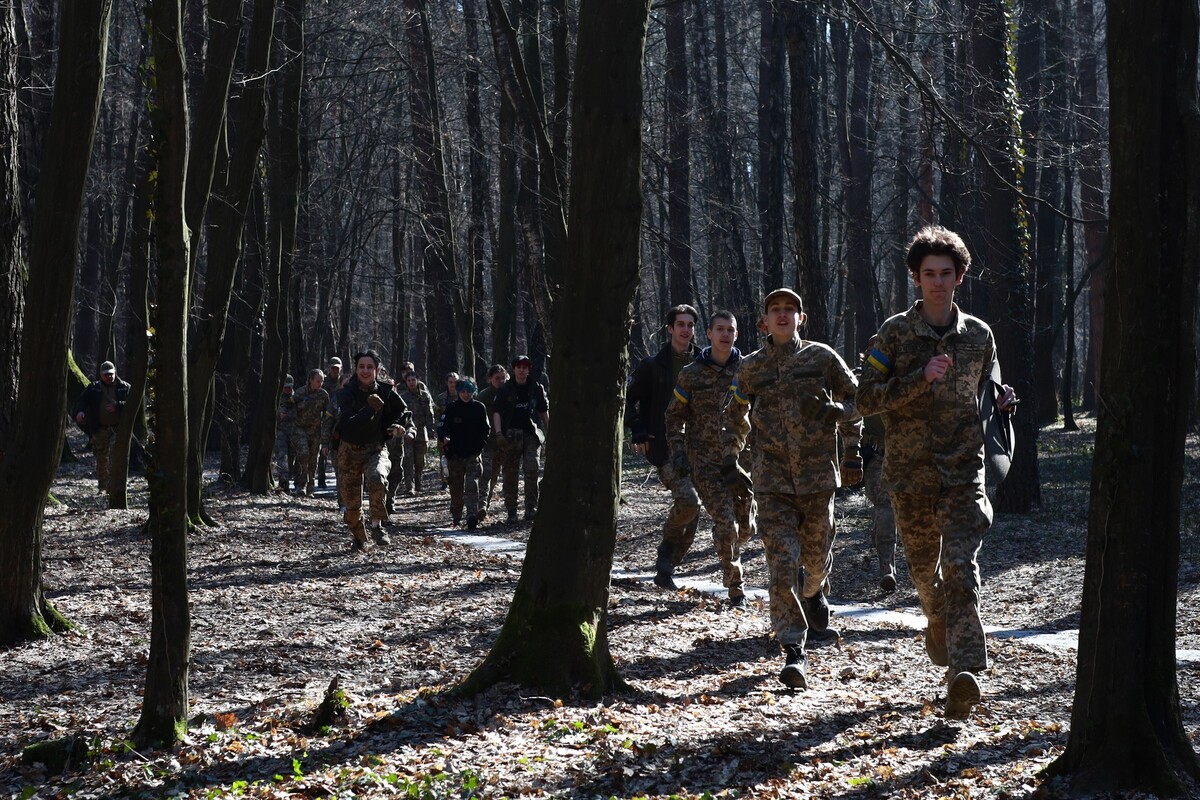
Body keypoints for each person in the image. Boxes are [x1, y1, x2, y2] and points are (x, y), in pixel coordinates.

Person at [857, 226, 1017, 719]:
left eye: (946, 274)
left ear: (960, 277)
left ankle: (964, 673)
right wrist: (915, 381)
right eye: (929, 274)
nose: (938, 283)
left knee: (960, 570)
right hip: (908, 476)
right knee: (926, 578)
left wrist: (1004, 403)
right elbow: (863, 399)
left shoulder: (979, 336)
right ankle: (938, 629)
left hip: (963, 471)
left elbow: (988, 389)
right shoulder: (894, 334)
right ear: (915, 278)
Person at [720, 288, 863, 690]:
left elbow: (858, 401)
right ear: (763, 322)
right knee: (782, 566)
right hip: (772, 482)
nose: (783, 316)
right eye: (775, 311)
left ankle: (815, 591)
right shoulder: (750, 368)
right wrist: (730, 459)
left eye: (790, 310)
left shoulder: (822, 358)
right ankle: (793, 650)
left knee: (814, 560)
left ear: (802, 318)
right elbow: (734, 416)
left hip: (819, 480)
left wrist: (852, 449)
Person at [665, 311, 757, 606]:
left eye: (731, 330)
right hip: (704, 463)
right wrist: (679, 452)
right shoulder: (691, 374)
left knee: (746, 527)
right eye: (720, 329)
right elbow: (673, 417)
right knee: (725, 523)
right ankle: (735, 588)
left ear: (737, 335)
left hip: (743, 462)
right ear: (708, 333)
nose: (725, 335)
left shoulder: (748, 370)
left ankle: (739, 541)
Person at [625, 304, 701, 588]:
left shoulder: (703, 363)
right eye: (680, 324)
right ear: (670, 329)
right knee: (689, 502)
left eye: (690, 325)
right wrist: (639, 430)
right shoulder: (653, 365)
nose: (685, 330)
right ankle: (665, 557)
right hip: (666, 447)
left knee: (692, 517)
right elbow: (626, 400)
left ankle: (666, 566)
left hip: (699, 449)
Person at [327, 349, 413, 551]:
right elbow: (348, 425)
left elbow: (403, 412)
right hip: (348, 451)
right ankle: (358, 537)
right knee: (352, 504)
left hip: (375, 449)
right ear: (356, 369)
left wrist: (399, 426)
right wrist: (370, 409)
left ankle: (377, 525)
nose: (365, 371)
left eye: (370, 367)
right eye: (361, 367)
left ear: (377, 369)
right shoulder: (345, 394)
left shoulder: (385, 391)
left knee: (377, 478)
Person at [859, 336, 900, 592]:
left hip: (911, 456)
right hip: (878, 456)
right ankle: (888, 568)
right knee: (886, 508)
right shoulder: (859, 382)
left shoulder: (903, 380)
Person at [492, 355, 549, 522]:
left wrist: (549, 431)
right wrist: (498, 434)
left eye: (525, 366)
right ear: (514, 369)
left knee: (532, 468)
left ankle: (531, 508)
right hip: (511, 435)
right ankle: (511, 511)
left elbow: (543, 411)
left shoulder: (536, 388)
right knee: (510, 473)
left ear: (529, 369)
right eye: (519, 366)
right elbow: (496, 412)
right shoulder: (505, 389)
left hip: (532, 434)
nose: (522, 369)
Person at [438, 378, 491, 530]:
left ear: (473, 391)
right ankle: (456, 515)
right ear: (458, 391)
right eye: (463, 391)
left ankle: (471, 515)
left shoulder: (479, 408)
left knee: (472, 484)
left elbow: (486, 430)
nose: (466, 394)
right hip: (455, 454)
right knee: (456, 486)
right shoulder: (451, 408)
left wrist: (480, 446)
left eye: (469, 391)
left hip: (473, 454)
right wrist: (444, 437)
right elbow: (442, 426)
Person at [74, 360, 130, 493]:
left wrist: (118, 406)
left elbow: (132, 405)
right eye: (106, 374)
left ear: (115, 373)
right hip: (100, 430)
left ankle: (117, 487)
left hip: (119, 429)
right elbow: (82, 401)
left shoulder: (125, 387)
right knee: (101, 459)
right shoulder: (93, 388)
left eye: (111, 374)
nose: (109, 377)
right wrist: (80, 412)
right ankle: (103, 487)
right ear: (100, 374)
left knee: (117, 459)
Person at [393, 371, 436, 508]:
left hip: (421, 431)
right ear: (406, 382)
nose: (411, 382)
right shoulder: (403, 397)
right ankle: (409, 486)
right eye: (409, 380)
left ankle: (418, 482)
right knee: (407, 459)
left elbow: (430, 414)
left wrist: (431, 430)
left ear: (417, 380)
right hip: (407, 432)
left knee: (420, 460)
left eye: (413, 380)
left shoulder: (424, 396)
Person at [474, 365, 508, 521]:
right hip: (487, 443)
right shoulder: (483, 397)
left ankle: (485, 504)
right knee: (485, 474)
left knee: (495, 476)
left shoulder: (510, 393)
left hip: (505, 443)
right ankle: (480, 506)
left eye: (503, 378)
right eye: (497, 378)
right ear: (490, 379)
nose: (501, 381)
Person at [292, 369, 330, 497]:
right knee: (303, 454)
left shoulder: (324, 395)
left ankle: (310, 488)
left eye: (322, 381)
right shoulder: (300, 393)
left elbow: (327, 415)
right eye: (318, 381)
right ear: (311, 380)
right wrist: (283, 413)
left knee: (313, 459)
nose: (320, 384)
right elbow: (287, 405)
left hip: (315, 431)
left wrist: (326, 434)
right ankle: (301, 485)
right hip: (300, 429)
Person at [316, 357, 343, 489]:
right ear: (329, 368)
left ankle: (340, 480)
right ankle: (321, 478)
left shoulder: (343, 382)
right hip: (324, 419)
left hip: (337, 420)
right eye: (333, 368)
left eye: (337, 368)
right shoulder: (323, 382)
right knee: (324, 449)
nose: (335, 370)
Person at [435, 372, 460, 488]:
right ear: (447, 383)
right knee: (444, 457)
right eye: (450, 382)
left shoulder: (463, 395)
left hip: (459, 431)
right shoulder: (441, 398)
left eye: (455, 382)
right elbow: (436, 416)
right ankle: (445, 480)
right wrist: (438, 432)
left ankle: (458, 479)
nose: (453, 385)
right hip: (444, 431)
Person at [274, 375, 299, 493]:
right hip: (281, 433)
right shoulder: (277, 398)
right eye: (285, 387)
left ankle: (296, 483)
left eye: (289, 387)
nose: (287, 390)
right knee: (282, 457)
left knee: (292, 460)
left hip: (294, 433)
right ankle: (284, 484)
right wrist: (279, 416)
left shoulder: (296, 397)